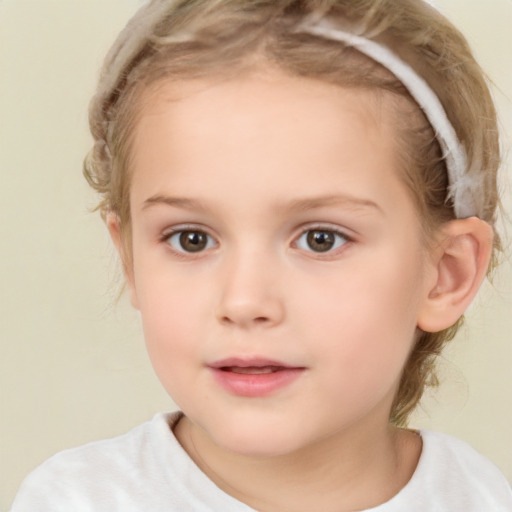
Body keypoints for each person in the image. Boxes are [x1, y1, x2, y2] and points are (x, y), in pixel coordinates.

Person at [9, 0, 512, 510]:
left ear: (446, 274)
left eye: (321, 238)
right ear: (131, 260)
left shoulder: (478, 497)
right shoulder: (79, 500)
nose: (245, 301)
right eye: (192, 239)